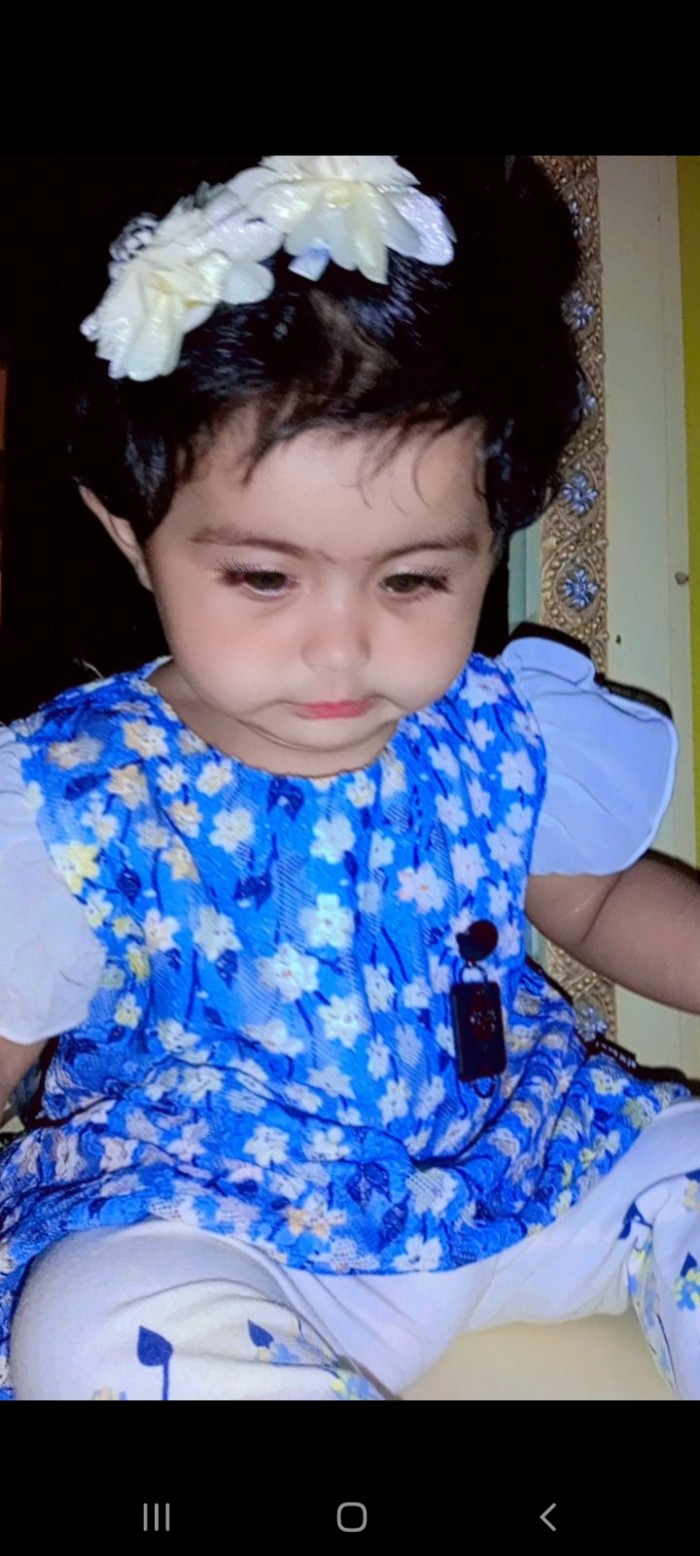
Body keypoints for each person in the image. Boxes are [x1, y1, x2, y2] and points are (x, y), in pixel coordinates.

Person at [0, 155, 698, 1403]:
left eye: (413, 579)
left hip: (525, 1166)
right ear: (131, 531)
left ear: (491, 537)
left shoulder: (498, 728)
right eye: (264, 578)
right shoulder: (75, 795)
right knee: (90, 1323)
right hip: (224, 1221)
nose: (340, 647)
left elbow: (593, 901)